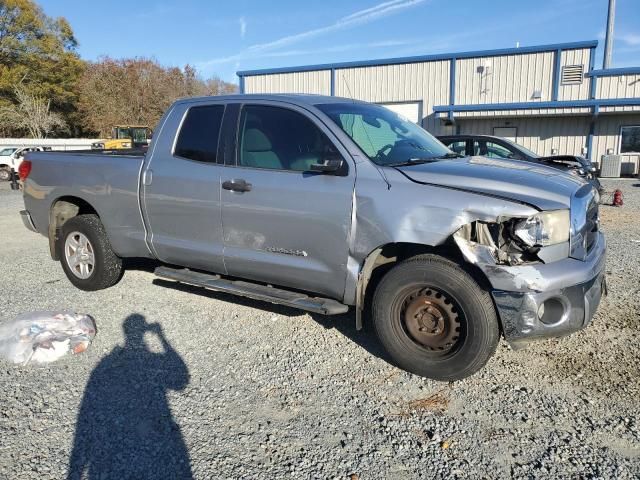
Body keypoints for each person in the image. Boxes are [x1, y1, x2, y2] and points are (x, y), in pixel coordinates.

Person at [68, 314, 191, 479]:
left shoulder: (105, 364)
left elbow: (85, 413)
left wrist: (74, 472)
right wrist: (162, 337)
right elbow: (180, 381)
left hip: (107, 453)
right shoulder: (149, 360)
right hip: (154, 437)